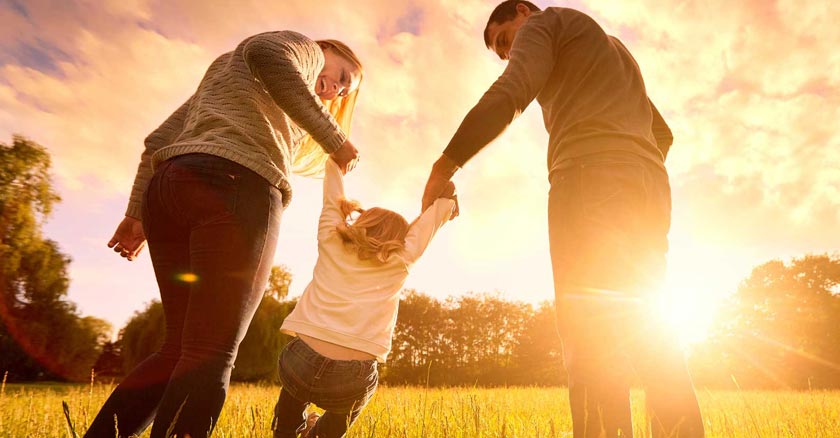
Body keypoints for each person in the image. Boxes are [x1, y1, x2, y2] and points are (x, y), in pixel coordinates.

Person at [420, 1, 704, 437]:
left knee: (589, 335)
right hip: (648, 188)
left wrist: (444, 166)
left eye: (504, 40)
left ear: (522, 10)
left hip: (589, 182)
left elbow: (512, 92)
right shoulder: (612, 49)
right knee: (651, 330)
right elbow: (661, 132)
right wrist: (629, 167)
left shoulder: (545, 23)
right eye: (500, 51)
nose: (506, 53)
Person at [85, 32, 364, 438]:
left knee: (179, 348)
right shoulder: (301, 49)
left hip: (168, 189)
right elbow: (268, 53)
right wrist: (335, 140)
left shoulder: (226, 73)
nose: (335, 89)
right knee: (209, 354)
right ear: (327, 50)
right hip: (237, 186)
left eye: (343, 90)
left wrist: (136, 213)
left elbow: (159, 141)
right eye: (341, 74)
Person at [271, 157, 457, 438]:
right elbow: (436, 215)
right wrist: (446, 201)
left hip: (300, 361)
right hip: (351, 377)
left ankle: (286, 430)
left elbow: (332, 197)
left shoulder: (332, 239)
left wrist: (337, 162)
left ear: (363, 222)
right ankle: (320, 433)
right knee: (349, 404)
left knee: (292, 400)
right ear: (402, 238)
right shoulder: (402, 258)